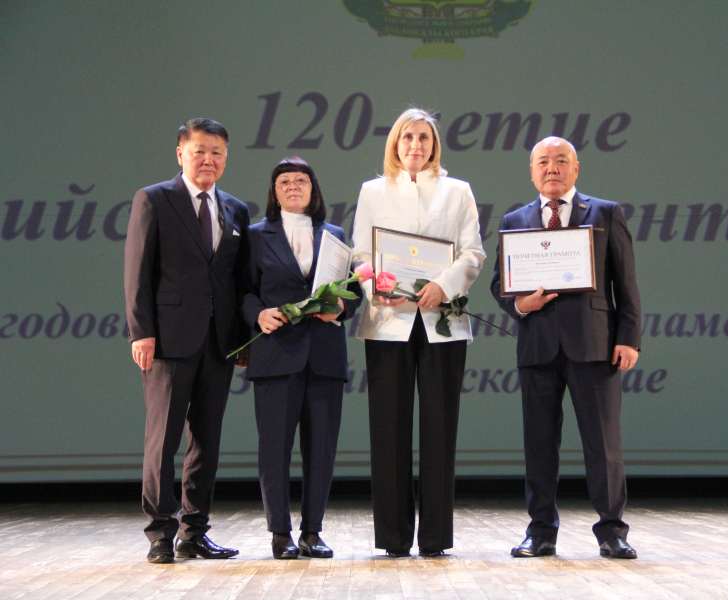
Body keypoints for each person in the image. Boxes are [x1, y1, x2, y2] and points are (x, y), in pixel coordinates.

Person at [490, 136, 642, 559]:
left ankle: (612, 531)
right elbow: (500, 283)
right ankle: (540, 532)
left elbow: (626, 282)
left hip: (595, 345)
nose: (551, 168)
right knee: (539, 445)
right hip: (537, 347)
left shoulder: (605, 213)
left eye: (561, 160)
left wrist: (629, 337)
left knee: (603, 443)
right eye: (543, 161)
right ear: (532, 172)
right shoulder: (515, 219)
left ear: (576, 169)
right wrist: (521, 304)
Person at [351, 108, 486, 557]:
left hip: (441, 323)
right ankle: (392, 538)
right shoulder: (372, 191)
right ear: (395, 142)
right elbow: (361, 256)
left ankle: (435, 538)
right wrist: (376, 289)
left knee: (440, 430)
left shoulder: (458, 190)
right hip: (388, 323)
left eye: (424, 137)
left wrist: (443, 286)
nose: (415, 145)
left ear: (434, 144)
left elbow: (472, 253)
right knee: (388, 431)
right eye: (407, 136)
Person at [124, 118, 250, 564]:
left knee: (207, 440)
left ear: (226, 158)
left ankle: (194, 531)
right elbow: (137, 271)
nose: (208, 159)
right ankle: (160, 532)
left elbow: (237, 281)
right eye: (199, 151)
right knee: (163, 439)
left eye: (217, 152)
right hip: (168, 339)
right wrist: (141, 331)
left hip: (219, 342)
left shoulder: (235, 209)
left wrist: (242, 340)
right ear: (180, 154)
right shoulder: (154, 199)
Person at [241, 157, 361, 559]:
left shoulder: (335, 234)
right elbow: (242, 290)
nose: (293, 186)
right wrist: (257, 314)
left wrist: (342, 307)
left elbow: (351, 291)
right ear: (274, 193)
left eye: (301, 180)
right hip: (275, 355)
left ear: (314, 189)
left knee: (321, 449)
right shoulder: (256, 235)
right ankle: (280, 533)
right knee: (274, 449)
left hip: (324, 355)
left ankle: (312, 531)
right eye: (284, 182)